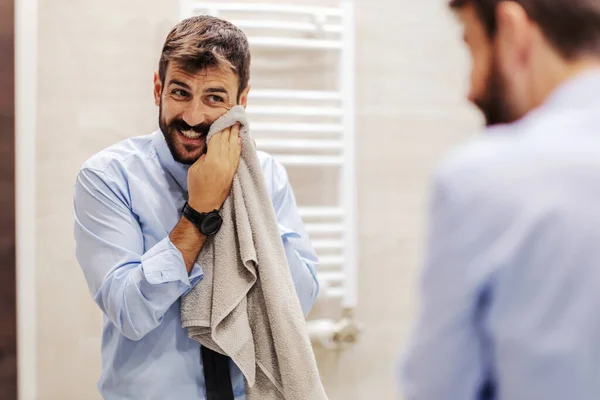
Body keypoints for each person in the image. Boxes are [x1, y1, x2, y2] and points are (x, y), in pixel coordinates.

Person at [73, 15, 319, 400]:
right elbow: (129, 313)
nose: (192, 117)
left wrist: (247, 200)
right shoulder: (107, 177)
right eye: (180, 92)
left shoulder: (266, 177)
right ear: (158, 89)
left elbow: (295, 304)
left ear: (242, 101)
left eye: (214, 98)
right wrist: (199, 211)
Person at [399, 1, 600, 399]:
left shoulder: (485, 175)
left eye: (473, 46)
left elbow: (439, 387)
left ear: (511, 28)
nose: (471, 88)